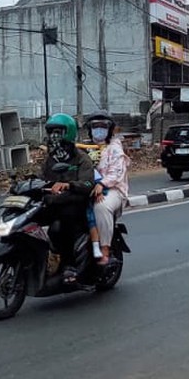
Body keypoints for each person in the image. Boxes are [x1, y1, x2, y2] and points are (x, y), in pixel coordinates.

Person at [40, 113, 95, 283]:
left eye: (58, 132)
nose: (54, 137)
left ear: (69, 133)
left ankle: (69, 265)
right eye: (51, 132)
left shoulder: (81, 158)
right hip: (54, 202)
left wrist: (69, 185)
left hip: (75, 204)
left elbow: (87, 185)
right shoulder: (50, 159)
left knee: (59, 226)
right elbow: (40, 178)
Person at [84, 111, 129, 264]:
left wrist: (101, 184)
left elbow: (117, 172)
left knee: (100, 207)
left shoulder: (115, 148)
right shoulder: (84, 147)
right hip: (86, 187)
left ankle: (105, 248)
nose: (99, 129)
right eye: (95, 126)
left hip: (113, 189)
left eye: (103, 126)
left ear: (109, 130)